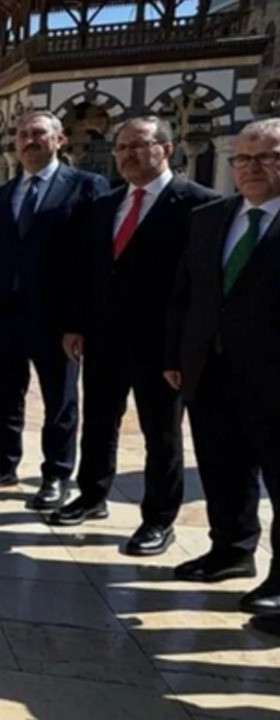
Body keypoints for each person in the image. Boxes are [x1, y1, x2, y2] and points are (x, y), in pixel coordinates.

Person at [51, 117, 218, 556]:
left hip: (161, 345)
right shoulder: (108, 205)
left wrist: (187, 346)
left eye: (137, 146)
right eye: (121, 147)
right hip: (105, 338)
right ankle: (91, 495)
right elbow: (86, 271)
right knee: (100, 422)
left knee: (161, 433)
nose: (126, 155)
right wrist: (75, 324)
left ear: (164, 149)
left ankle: (159, 519)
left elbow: (200, 285)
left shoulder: (197, 204)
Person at [165, 118, 280, 615]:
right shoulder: (211, 217)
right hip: (211, 369)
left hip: (275, 376)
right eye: (244, 159)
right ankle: (231, 551)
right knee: (222, 466)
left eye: (267, 158)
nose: (252, 168)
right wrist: (176, 354)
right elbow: (186, 293)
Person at [0, 111, 109, 508]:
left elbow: (94, 258)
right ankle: (4, 463)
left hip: (57, 319)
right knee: (5, 395)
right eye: (22, 135)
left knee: (60, 399)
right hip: (6, 315)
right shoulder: (1, 195)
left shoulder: (86, 186)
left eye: (38, 134)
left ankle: (56, 473)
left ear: (59, 140)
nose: (28, 141)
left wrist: (79, 320)